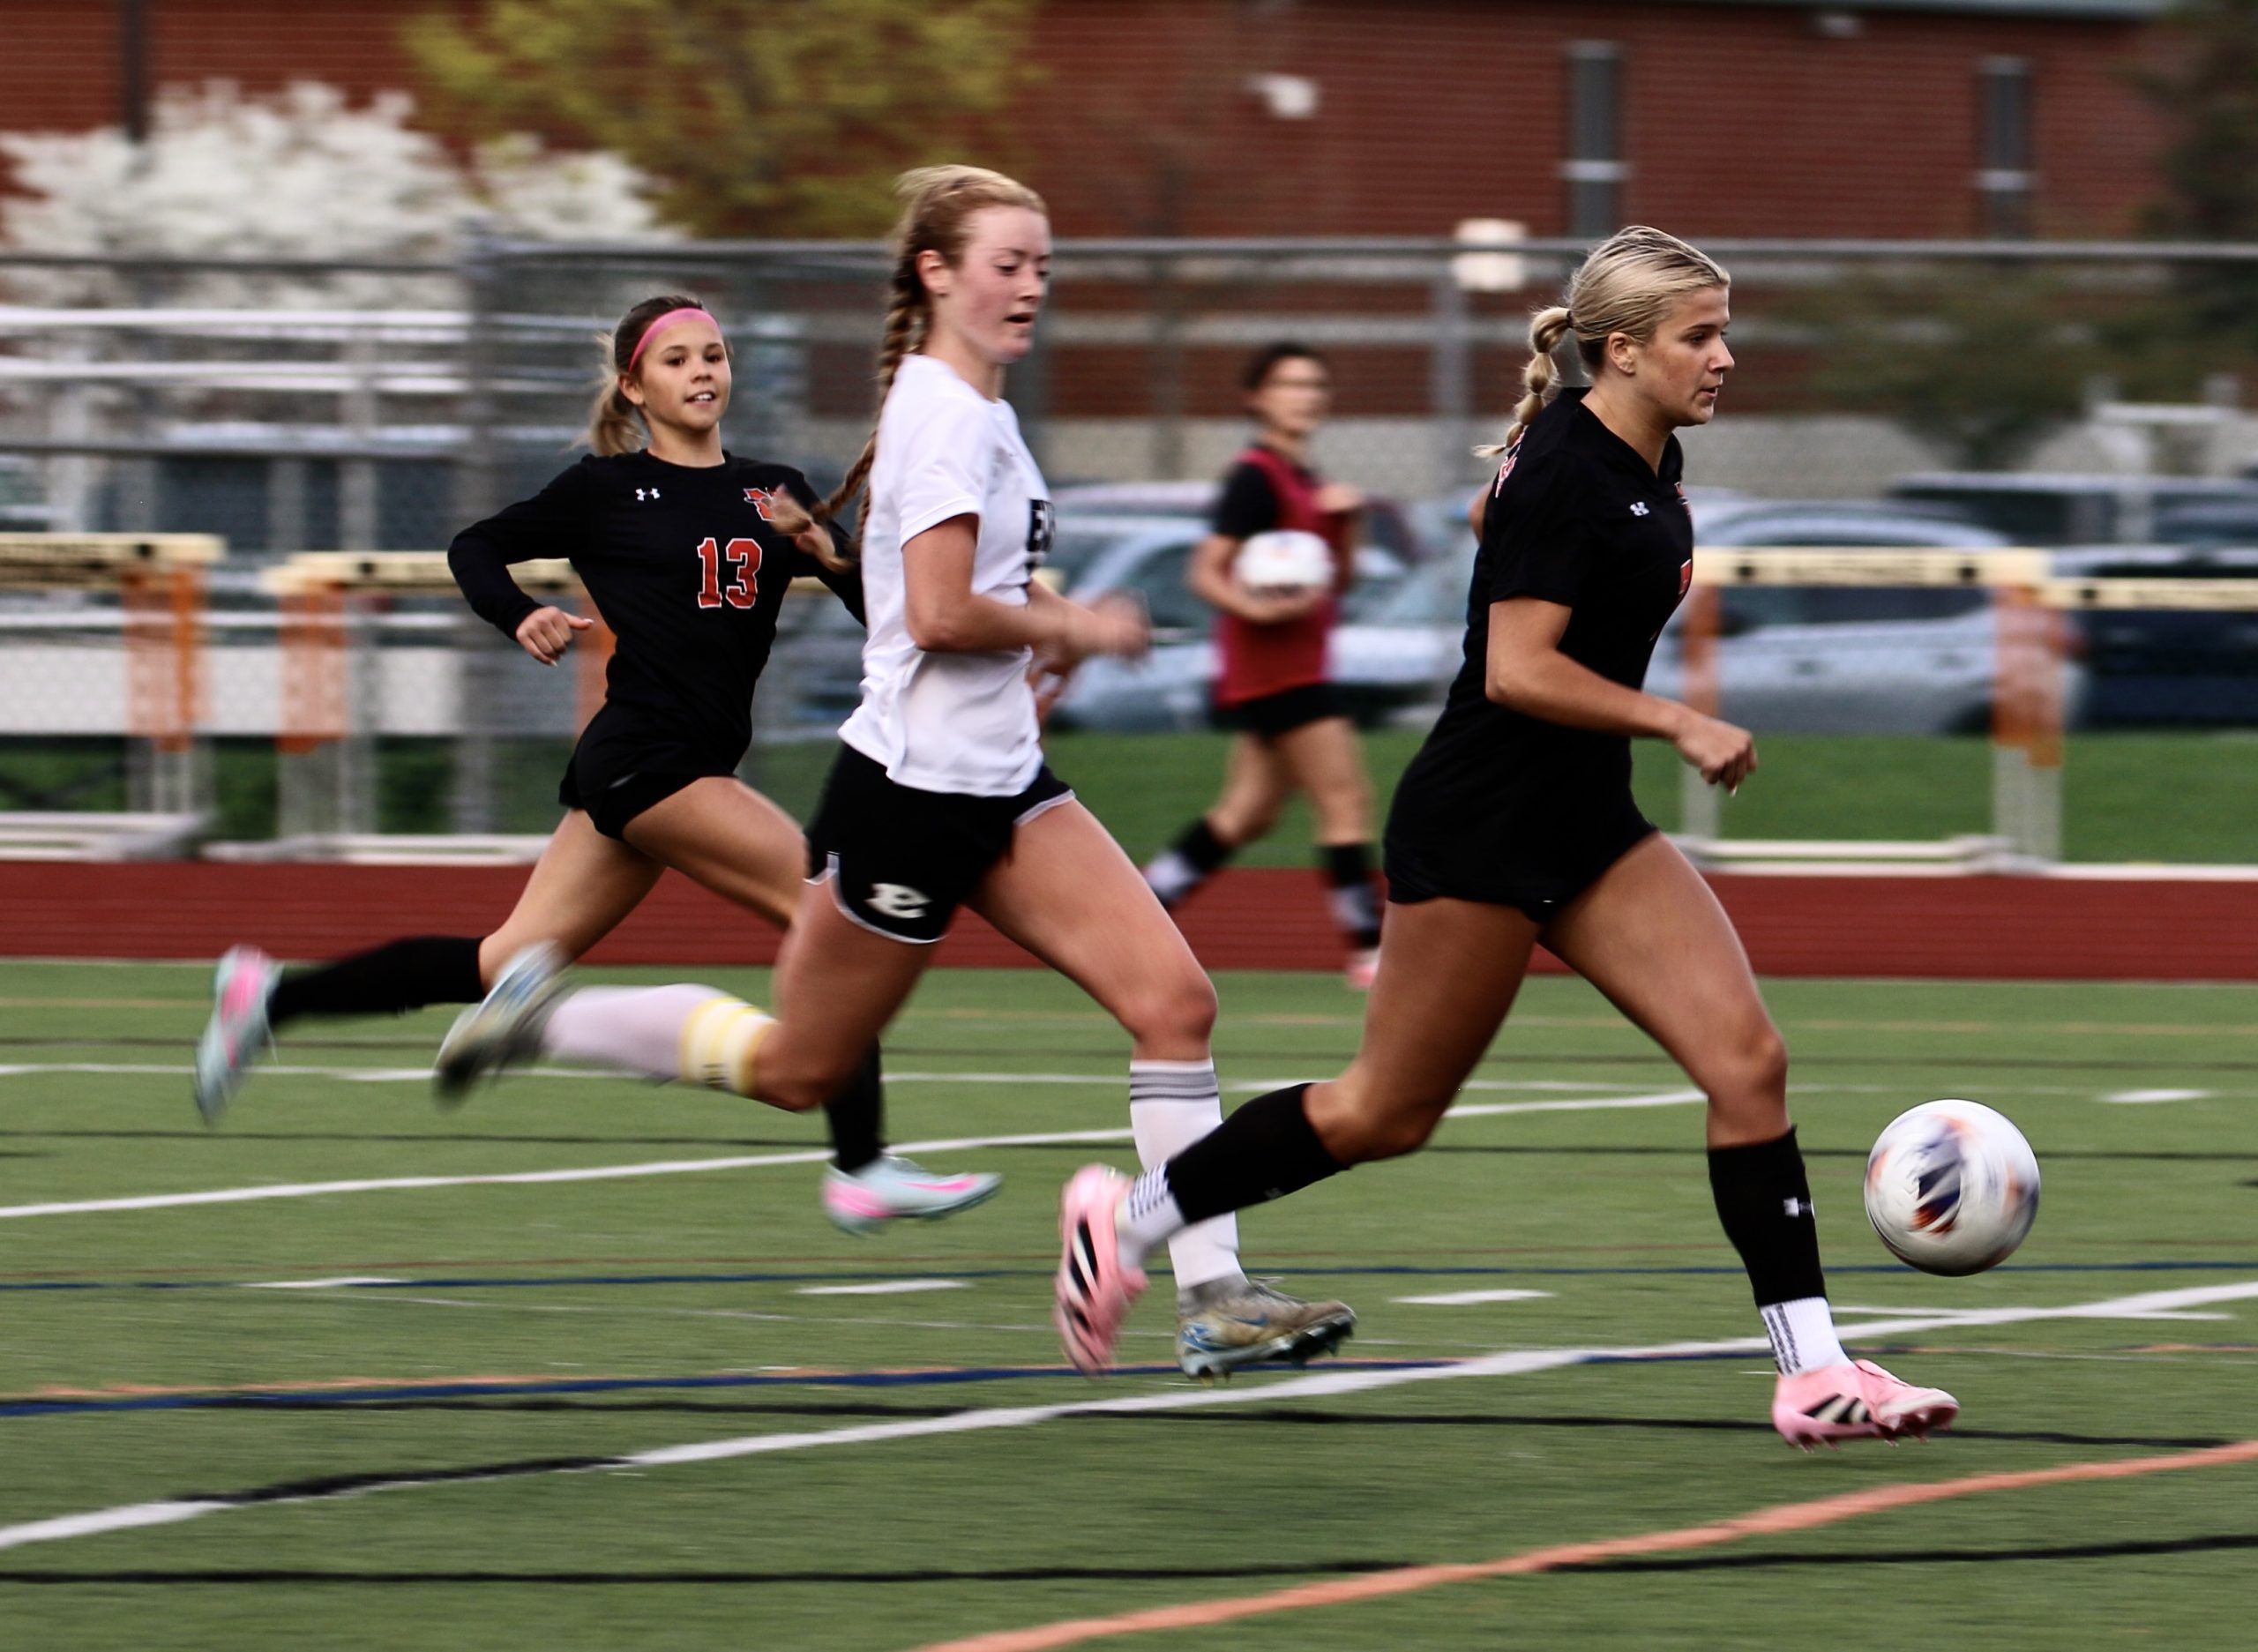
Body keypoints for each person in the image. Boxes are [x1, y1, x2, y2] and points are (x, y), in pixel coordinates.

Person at [437, 166, 1357, 1379]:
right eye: (1007, 264)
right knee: (799, 1068)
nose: (1030, 285)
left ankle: (1207, 1285)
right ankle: (546, 1023)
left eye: (1042, 265)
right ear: (937, 272)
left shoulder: (984, 411)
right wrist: (1073, 633)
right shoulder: (944, 416)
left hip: (1006, 783)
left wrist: (1051, 627)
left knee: (1176, 1003)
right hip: (911, 799)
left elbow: (988, 592)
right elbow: (932, 614)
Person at [1051, 227, 1959, 1448]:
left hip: (1586, 826)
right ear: (1622, 349)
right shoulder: (1567, 467)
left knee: (1748, 1061)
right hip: (1481, 826)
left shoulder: (1641, 450)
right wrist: (1675, 719)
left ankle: (1813, 1372)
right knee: (1384, 1113)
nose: (1725, 355)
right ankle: (1131, 1217)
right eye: (1701, 335)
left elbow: (1512, 536)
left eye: (1724, 329)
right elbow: (1521, 669)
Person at [193, 293, 998, 1236]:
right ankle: (859, 1163)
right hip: (646, 760)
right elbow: (475, 546)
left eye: (716, 355)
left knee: (504, 960)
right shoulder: (605, 489)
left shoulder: (773, 487)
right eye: (677, 360)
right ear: (634, 386)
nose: (703, 372)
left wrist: (828, 552)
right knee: (828, 912)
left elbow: (891, 620)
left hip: (669, 766)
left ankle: (270, 997)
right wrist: (519, 612)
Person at [1141, 343, 1383, 988]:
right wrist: (1257, 608)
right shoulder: (1254, 476)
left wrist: (1350, 525)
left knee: (1247, 813)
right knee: (1347, 799)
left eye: (1315, 385)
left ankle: (1145, 904)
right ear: (1258, 398)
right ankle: (1369, 951)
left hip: (1295, 665)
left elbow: (1340, 582)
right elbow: (1205, 571)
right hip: (1278, 671)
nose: (1305, 396)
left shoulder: (1309, 481)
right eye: (1290, 384)